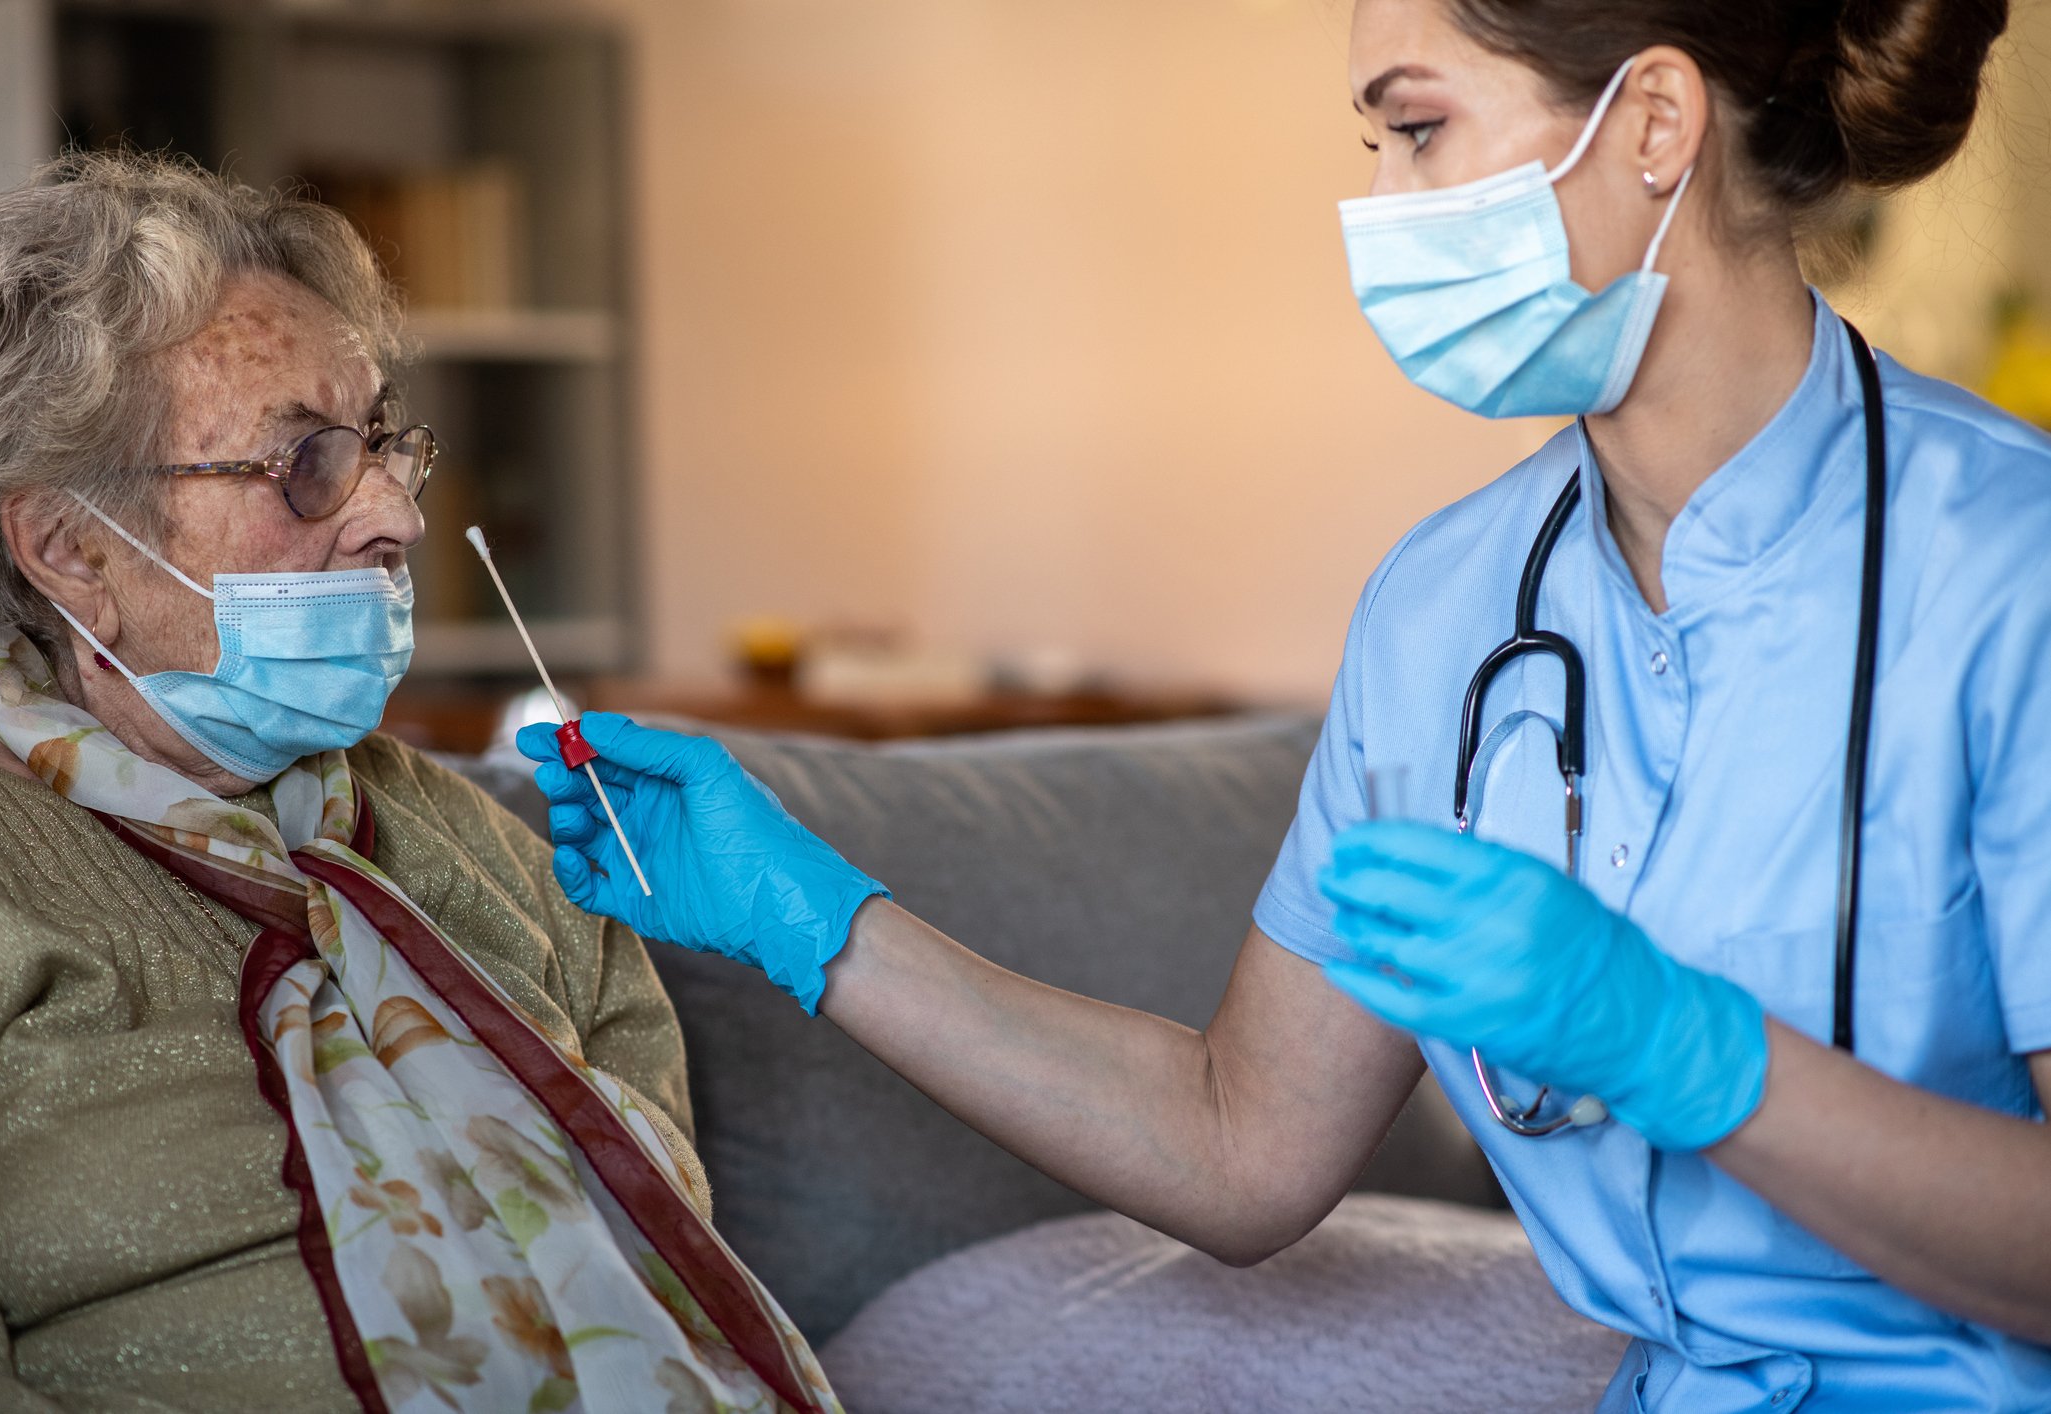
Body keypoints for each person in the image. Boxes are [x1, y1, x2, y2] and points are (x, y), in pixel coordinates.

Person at [520, 0, 2051, 1408]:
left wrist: (1696, 1057)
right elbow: (1241, 1142)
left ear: (1655, 125)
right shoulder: (1444, 612)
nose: (1384, 206)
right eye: (1372, 145)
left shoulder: (2008, 572)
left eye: (1420, 127)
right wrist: (813, 916)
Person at [0, 153, 839, 1412]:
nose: (396, 519)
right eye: (303, 464)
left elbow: (670, 1236)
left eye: (378, 445)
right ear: (72, 549)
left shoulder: (480, 841)